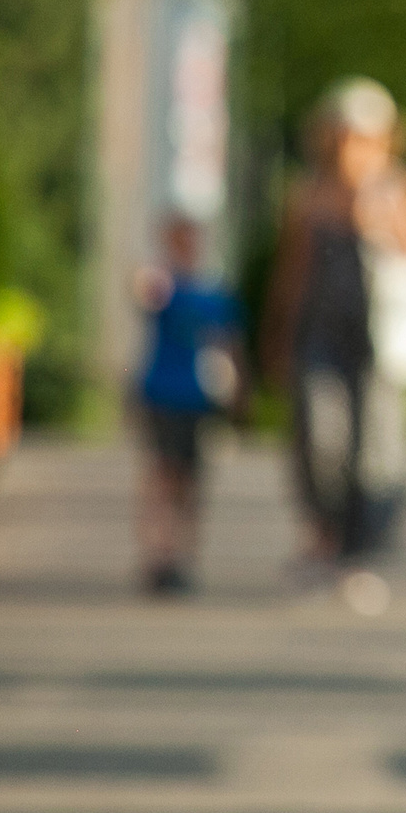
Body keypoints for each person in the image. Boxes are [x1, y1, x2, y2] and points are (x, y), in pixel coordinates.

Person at [263, 77, 406, 608]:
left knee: (374, 449)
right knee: (318, 437)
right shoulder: (308, 192)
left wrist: (387, 228)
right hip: (321, 333)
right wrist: (276, 334)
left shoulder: (401, 188)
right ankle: (323, 536)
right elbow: (291, 272)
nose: (351, 147)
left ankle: (359, 555)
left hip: (380, 337)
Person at [131, 212, 242, 596]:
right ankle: (158, 555)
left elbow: (231, 345)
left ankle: (183, 556)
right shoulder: (164, 285)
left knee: (190, 482)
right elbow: (143, 291)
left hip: (196, 397)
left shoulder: (211, 294)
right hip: (161, 394)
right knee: (162, 476)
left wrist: (239, 394)